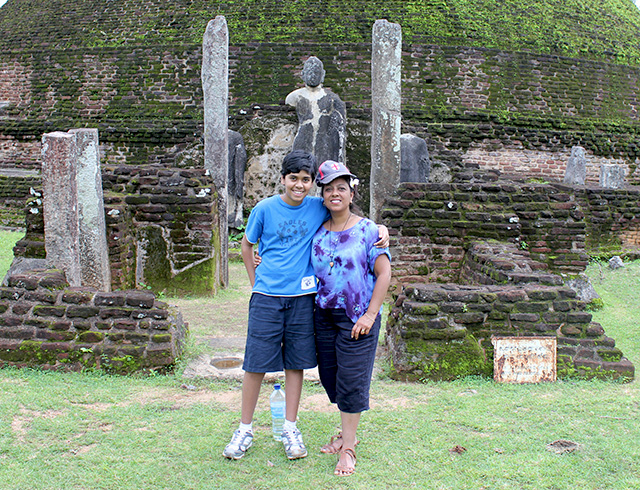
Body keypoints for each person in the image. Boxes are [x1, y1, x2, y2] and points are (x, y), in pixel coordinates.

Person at [223, 150, 388, 461]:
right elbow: (247, 244)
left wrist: (380, 228)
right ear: (282, 179)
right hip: (268, 297)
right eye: (293, 178)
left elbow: (349, 216)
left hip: (303, 300)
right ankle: (244, 429)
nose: (299, 185)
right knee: (255, 363)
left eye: (306, 180)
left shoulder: (318, 207)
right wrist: (255, 281)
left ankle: (290, 427)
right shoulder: (265, 209)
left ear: (313, 183)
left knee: (295, 363)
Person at [310, 160, 392, 476]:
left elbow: (384, 274)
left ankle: (348, 447)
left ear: (351, 193)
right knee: (330, 378)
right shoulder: (317, 231)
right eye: (329, 189)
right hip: (324, 315)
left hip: (358, 318)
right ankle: (347, 433)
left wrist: (370, 315)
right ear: (323, 195)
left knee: (351, 381)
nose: (335, 193)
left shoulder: (369, 230)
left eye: (341, 188)